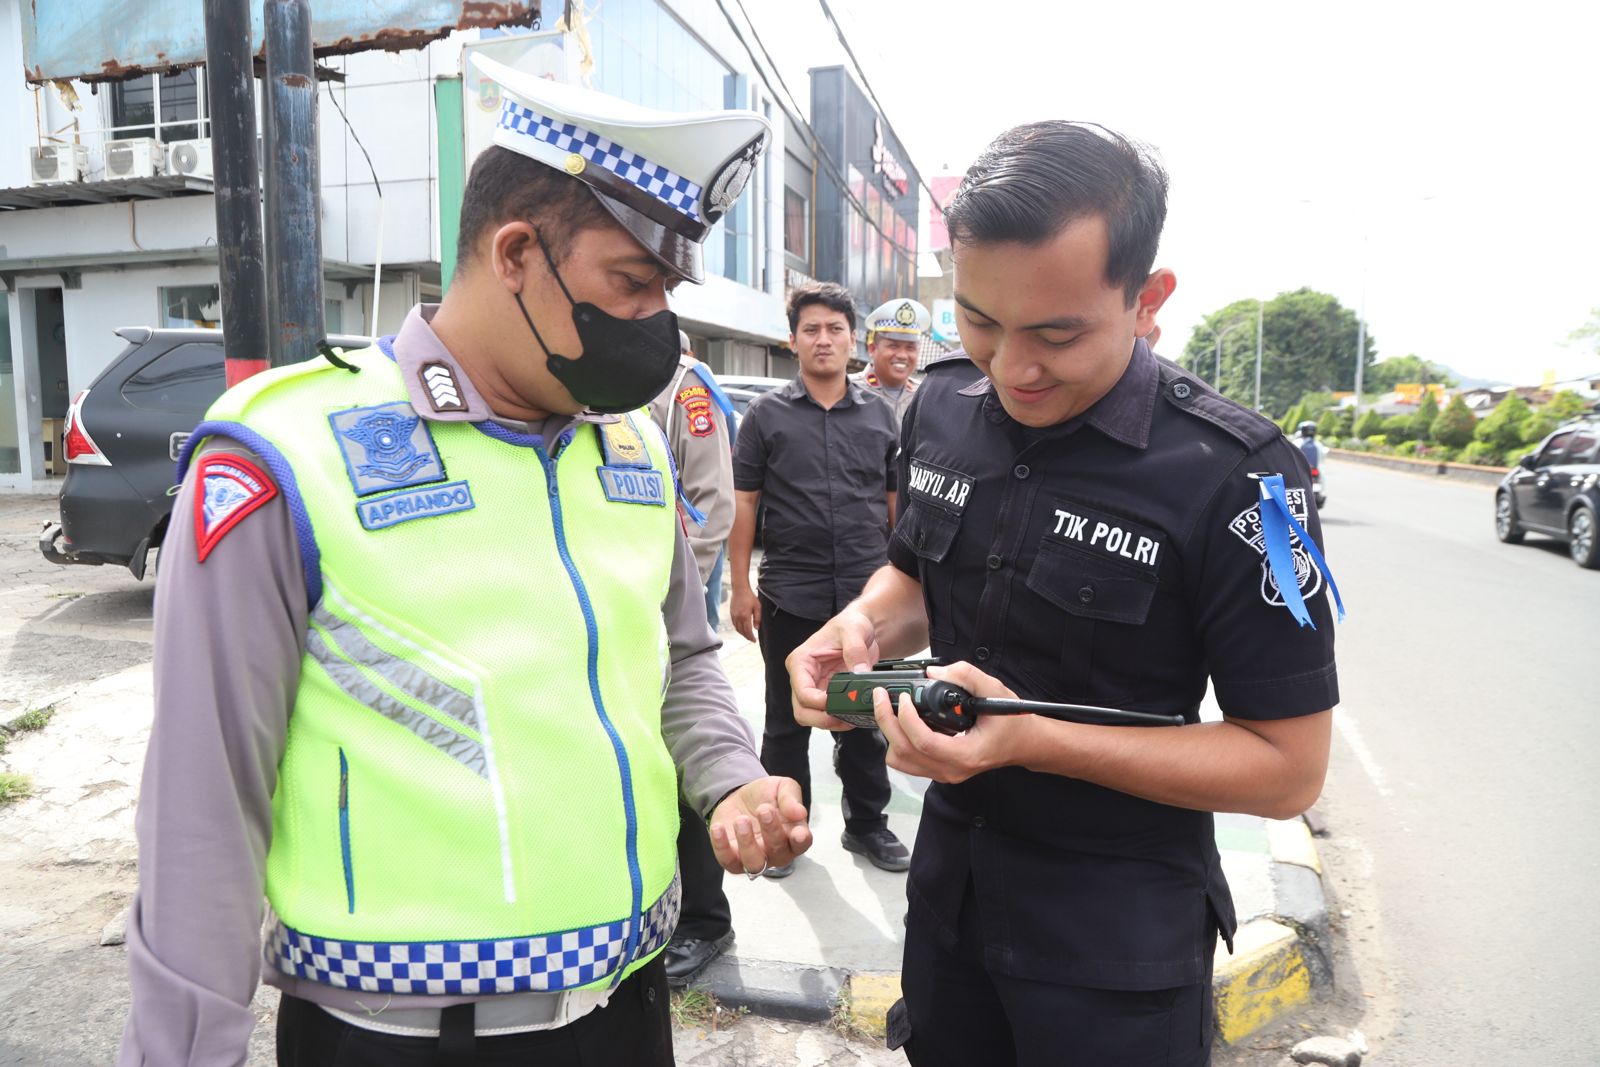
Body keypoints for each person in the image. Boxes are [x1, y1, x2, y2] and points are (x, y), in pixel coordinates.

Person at [119, 57, 812, 1067]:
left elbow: (682, 659)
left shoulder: (630, 450)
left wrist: (732, 778)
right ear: (517, 252)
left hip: (626, 1008)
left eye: (665, 291)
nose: (655, 325)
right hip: (400, 1038)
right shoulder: (289, 456)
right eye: (631, 284)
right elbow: (204, 803)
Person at [788, 122, 1341, 1066]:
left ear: (1147, 300)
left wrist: (1033, 739)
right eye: (980, 321)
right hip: (950, 906)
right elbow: (913, 573)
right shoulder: (940, 405)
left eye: (1057, 333)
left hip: (1113, 948)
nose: (1013, 368)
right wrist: (860, 624)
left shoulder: (1244, 477)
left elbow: (1287, 767)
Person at [728, 282, 909, 877]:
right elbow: (745, 503)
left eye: (835, 329)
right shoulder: (766, 415)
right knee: (785, 723)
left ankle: (867, 826)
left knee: (864, 718)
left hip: (864, 599)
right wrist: (740, 587)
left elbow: (896, 509)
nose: (823, 339)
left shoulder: (881, 415)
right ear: (793, 341)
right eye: (812, 329)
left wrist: (905, 588)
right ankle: (784, 832)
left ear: (853, 340)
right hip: (790, 594)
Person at [647, 331, 740, 986]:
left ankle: (705, 919)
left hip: (668, 607)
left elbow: (712, 502)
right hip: (626, 614)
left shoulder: (685, 387)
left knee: (687, 754)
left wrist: (666, 595)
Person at [851, 297, 931, 428]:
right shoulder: (849, 390)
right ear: (872, 348)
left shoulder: (925, 396)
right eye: (893, 346)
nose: (902, 355)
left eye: (910, 348)